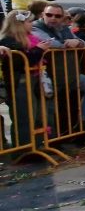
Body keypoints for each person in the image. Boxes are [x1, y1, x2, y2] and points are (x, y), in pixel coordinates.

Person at [32, 4, 85, 135]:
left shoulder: (64, 28)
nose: (53, 18)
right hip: (48, 76)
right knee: (50, 109)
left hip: (69, 74)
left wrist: (77, 43)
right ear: (43, 15)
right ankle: (52, 138)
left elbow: (81, 42)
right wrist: (68, 43)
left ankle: (84, 120)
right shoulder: (35, 27)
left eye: (57, 16)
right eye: (49, 15)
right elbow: (49, 43)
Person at [0, 9, 49, 146]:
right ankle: (24, 148)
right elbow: (21, 61)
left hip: (33, 79)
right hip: (19, 81)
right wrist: (39, 49)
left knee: (37, 115)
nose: (32, 24)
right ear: (19, 24)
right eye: (29, 21)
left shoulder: (28, 38)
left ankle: (36, 145)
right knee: (25, 116)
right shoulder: (8, 41)